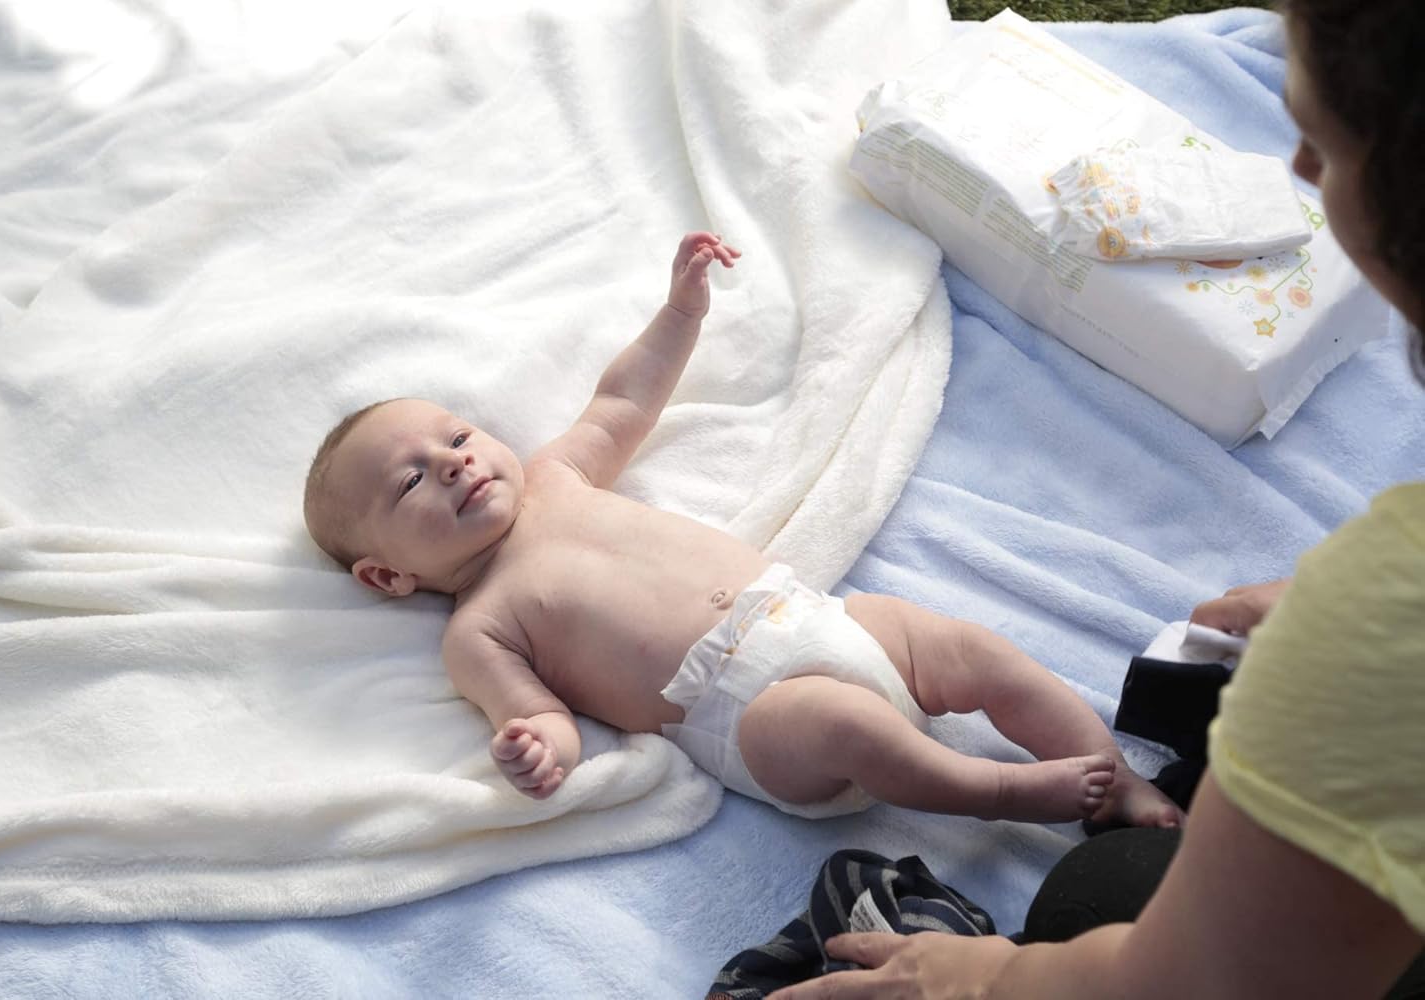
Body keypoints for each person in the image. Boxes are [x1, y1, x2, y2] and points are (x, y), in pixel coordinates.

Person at [771, 0, 1425, 996]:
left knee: (1098, 898)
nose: (1294, 166)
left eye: (1327, 144)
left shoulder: (1382, 630)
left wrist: (977, 977)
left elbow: (1184, 983)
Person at [303, 230, 1182, 829]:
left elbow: (623, 402)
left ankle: (1117, 780)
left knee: (971, 649)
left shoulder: (554, 476)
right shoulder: (479, 629)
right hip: (749, 717)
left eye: (456, 437)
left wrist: (682, 311)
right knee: (852, 723)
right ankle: (1003, 793)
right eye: (410, 480)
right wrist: (541, 752)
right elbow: (539, 713)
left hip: (814, 617)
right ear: (386, 575)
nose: (452, 464)